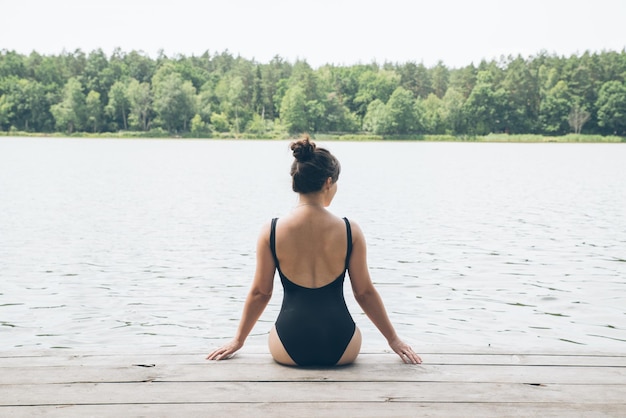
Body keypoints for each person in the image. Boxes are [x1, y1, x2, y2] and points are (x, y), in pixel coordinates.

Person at [207, 136, 421, 366]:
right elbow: (364, 293)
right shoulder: (350, 231)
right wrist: (394, 339)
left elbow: (261, 292)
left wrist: (238, 340)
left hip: (287, 347)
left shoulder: (271, 230)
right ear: (328, 182)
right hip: (343, 346)